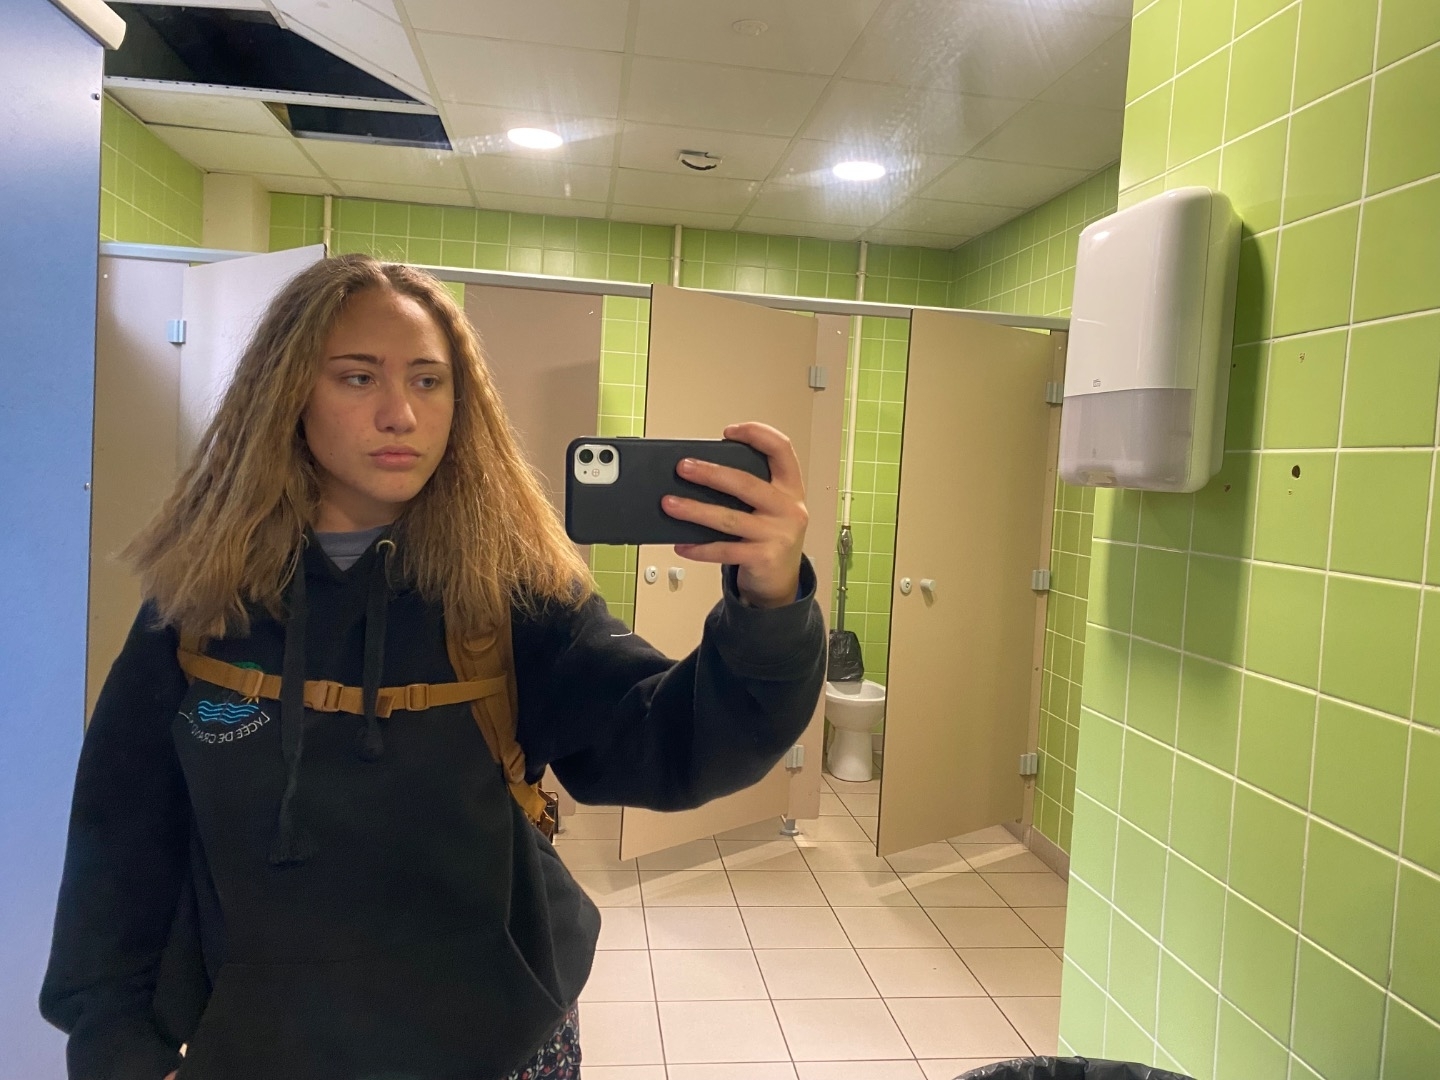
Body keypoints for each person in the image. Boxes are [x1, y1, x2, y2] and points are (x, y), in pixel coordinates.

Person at [40, 254, 826, 1080]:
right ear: (288, 392)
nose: (400, 414)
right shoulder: (200, 606)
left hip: (499, 1042)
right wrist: (117, 1049)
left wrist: (769, 604)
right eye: (357, 378)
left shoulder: (510, 590)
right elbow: (119, 842)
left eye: (427, 381)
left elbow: (673, 744)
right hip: (267, 1046)